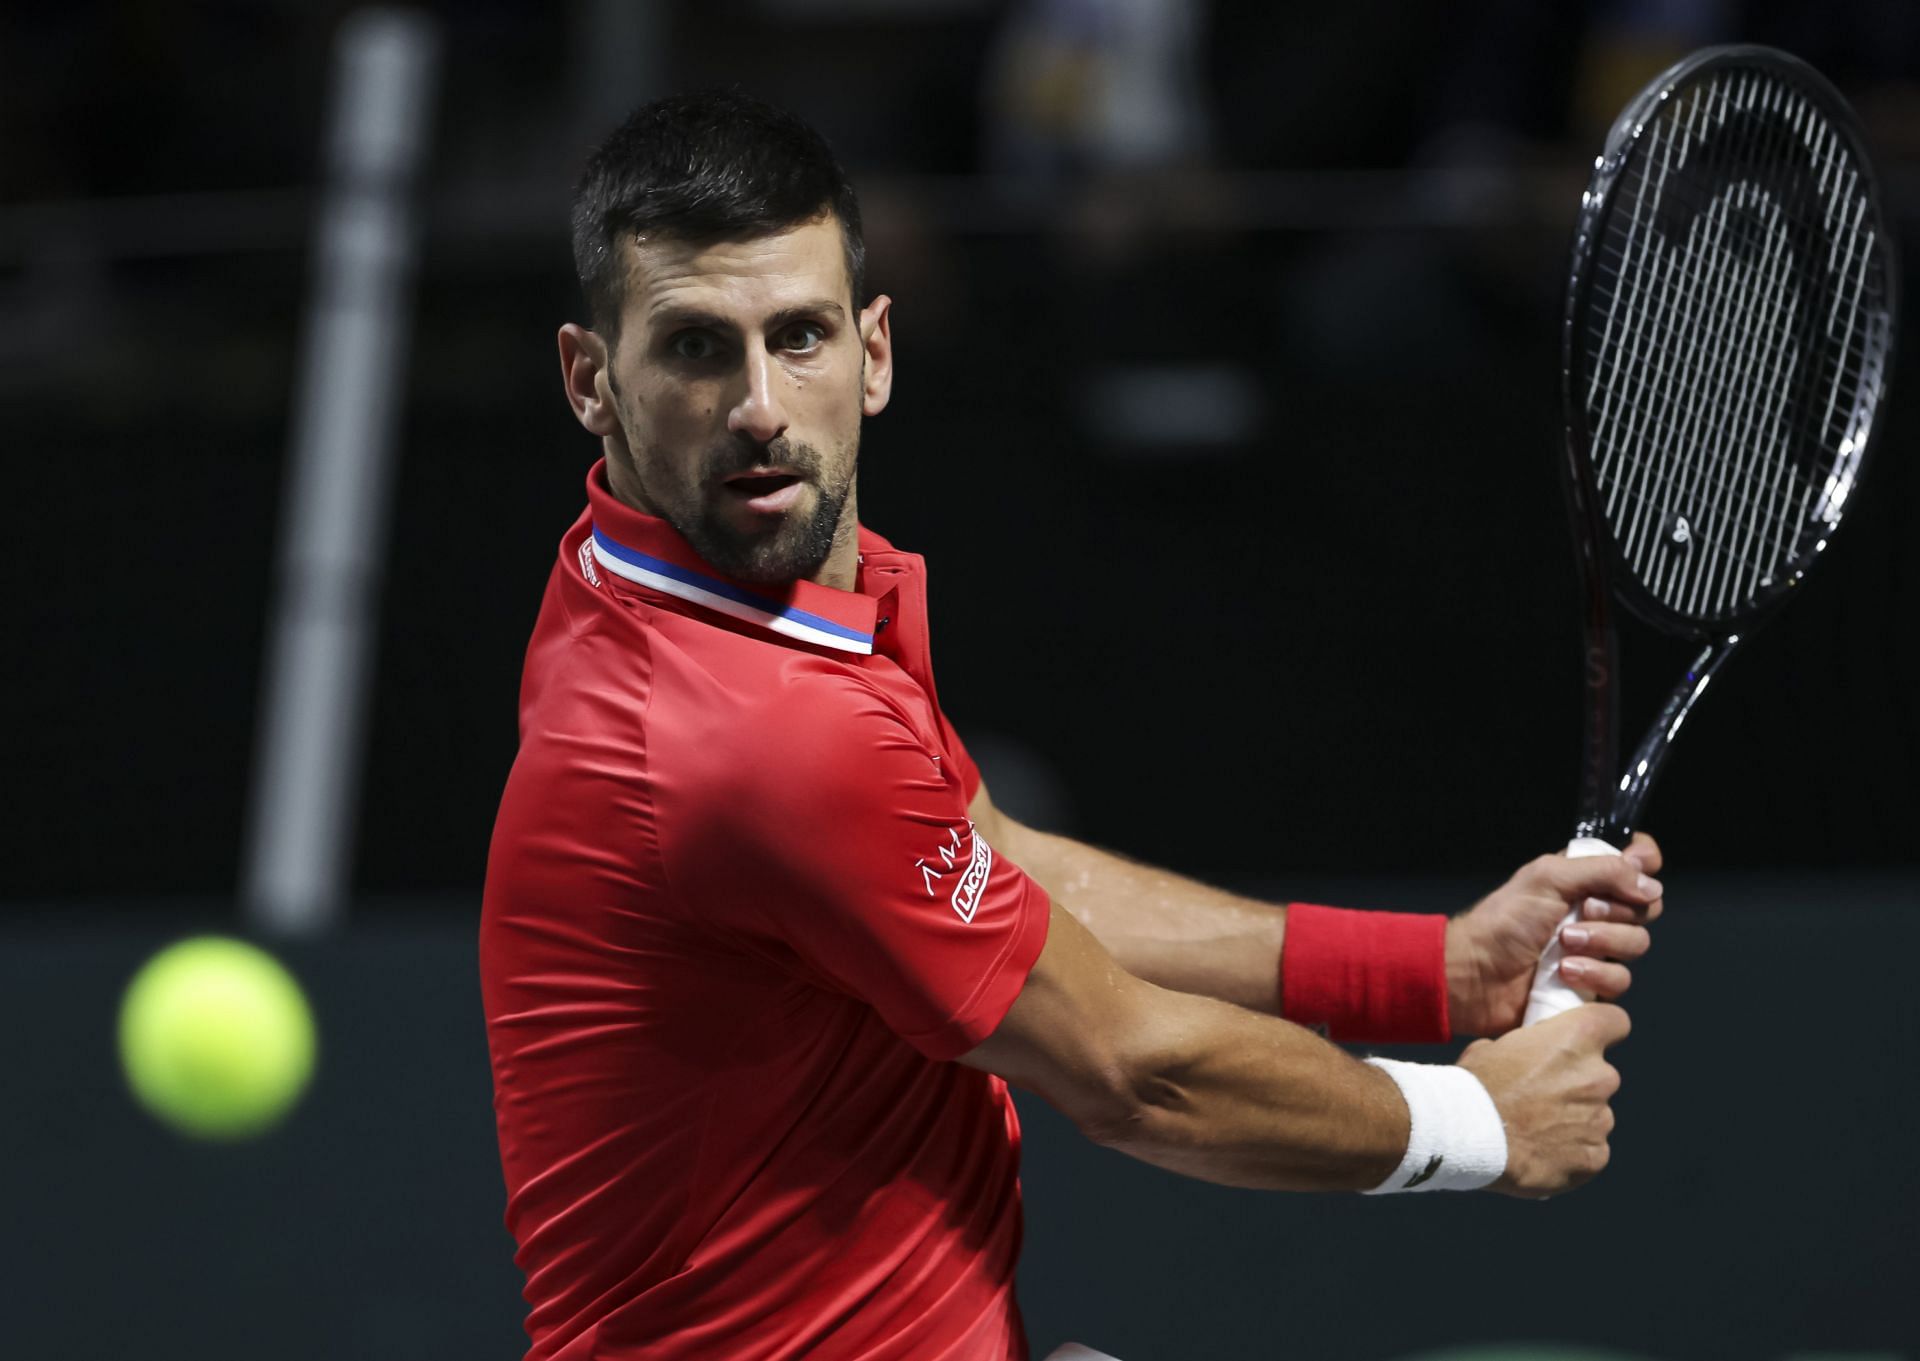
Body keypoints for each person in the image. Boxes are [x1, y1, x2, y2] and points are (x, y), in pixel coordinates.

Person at [479, 89, 1664, 1361]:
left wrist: (1431, 968)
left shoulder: (664, 587)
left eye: (801, 336)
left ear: (876, 351)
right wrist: (1479, 1123)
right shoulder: (753, 734)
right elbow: (1128, 1069)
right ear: (591, 381)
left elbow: (992, 858)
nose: (760, 404)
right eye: (698, 349)